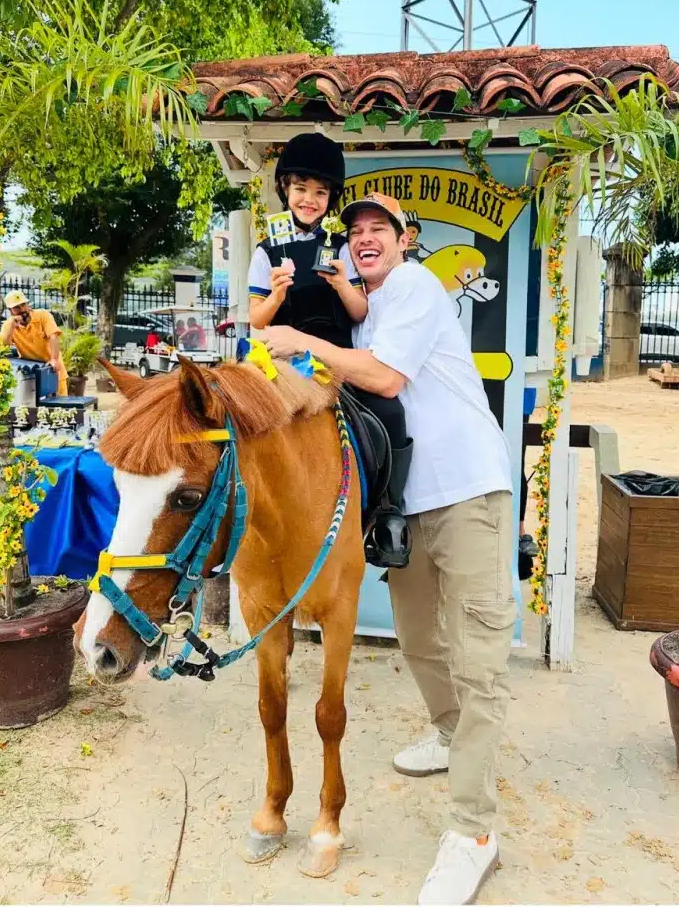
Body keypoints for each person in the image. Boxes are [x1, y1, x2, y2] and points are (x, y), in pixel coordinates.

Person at [262, 191, 515, 906]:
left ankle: (473, 834)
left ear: (405, 241)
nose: (365, 239)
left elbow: (382, 377)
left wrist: (301, 342)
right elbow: (349, 357)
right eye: (356, 232)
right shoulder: (372, 308)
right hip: (409, 505)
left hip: (467, 493)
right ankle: (446, 735)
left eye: (380, 229)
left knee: (476, 662)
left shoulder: (414, 287)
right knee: (417, 641)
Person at [248, 133, 413, 567]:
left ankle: (386, 513)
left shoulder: (340, 247)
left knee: (391, 414)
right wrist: (278, 295)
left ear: (330, 199)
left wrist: (342, 282)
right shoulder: (266, 252)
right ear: (285, 189)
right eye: (301, 189)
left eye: (320, 193)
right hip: (283, 357)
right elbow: (256, 319)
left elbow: (359, 313)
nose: (309, 199)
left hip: (332, 358)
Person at [0, 290, 68, 396]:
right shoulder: (9, 325)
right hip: (31, 374)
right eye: (17, 307)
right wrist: (12, 325)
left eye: (23, 305)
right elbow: (5, 344)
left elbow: (53, 336)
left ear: (28, 304)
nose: (22, 310)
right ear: (10, 311)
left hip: (53, 370)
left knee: (61, 407)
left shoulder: (43, 315)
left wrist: (54, 359)